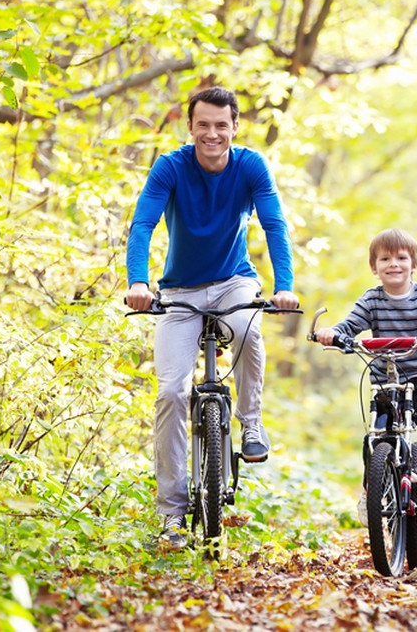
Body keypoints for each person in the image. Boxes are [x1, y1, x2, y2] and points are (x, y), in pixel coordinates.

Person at [124, 86, 300, 550]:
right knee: (170, 393)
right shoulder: (171, 167)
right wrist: (139, 282)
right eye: (203, 124)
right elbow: (143, 224)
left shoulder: (251, 166)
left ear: (235, 127)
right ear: (191, 127)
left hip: (232, 281)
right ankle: (171, 517)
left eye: (221, 125)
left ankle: (251, 420)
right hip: (179, 290)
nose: (212, 133)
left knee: (247, 328)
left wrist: (283, 286)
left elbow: (274, 225)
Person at [313, 228, 417, 518]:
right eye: (385, 259)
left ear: (414, 265)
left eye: (401, 257)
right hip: (386, 380)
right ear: (374, 267)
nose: (393, 264)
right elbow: (349, 325)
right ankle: (373, 492)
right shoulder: (371, 300)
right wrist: (332, 333)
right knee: (376, 434)